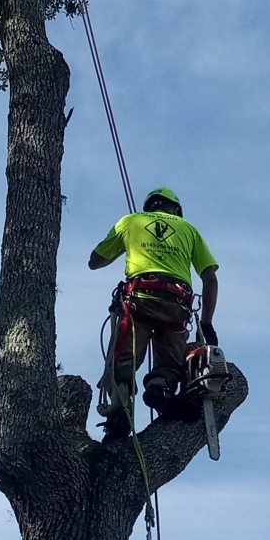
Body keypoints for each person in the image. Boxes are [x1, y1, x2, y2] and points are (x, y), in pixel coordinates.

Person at [89, 187, 219, 439]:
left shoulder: (130, 221)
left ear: (149, 207)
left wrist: (126, 241)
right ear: (177, 210)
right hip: (176, 305)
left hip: (139, 299)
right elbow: (210, 278)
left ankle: (120, 413)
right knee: (170, 364)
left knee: (124, 361)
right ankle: (161, 387)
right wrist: (207, 324)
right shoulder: (188, 229)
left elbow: (95, 261)